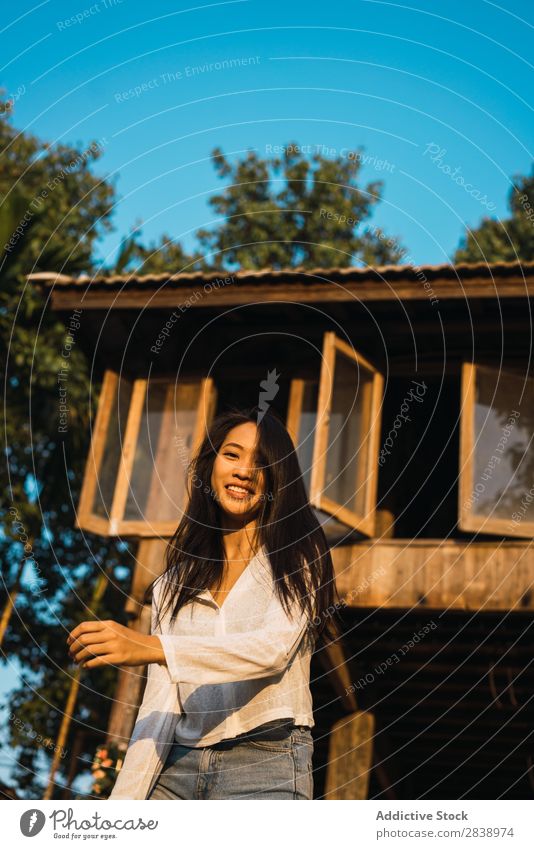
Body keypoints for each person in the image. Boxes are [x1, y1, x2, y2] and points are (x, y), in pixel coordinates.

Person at [67, 406, 340, 799]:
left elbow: (271, 651)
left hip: (265, 764)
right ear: (211, 466)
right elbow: (160, 704)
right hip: (177, 767)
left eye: (262, 463)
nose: (244, 471)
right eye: (232, 454)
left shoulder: (299, 556)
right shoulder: (171, 585)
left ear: (278, 479)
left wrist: (149, 646)